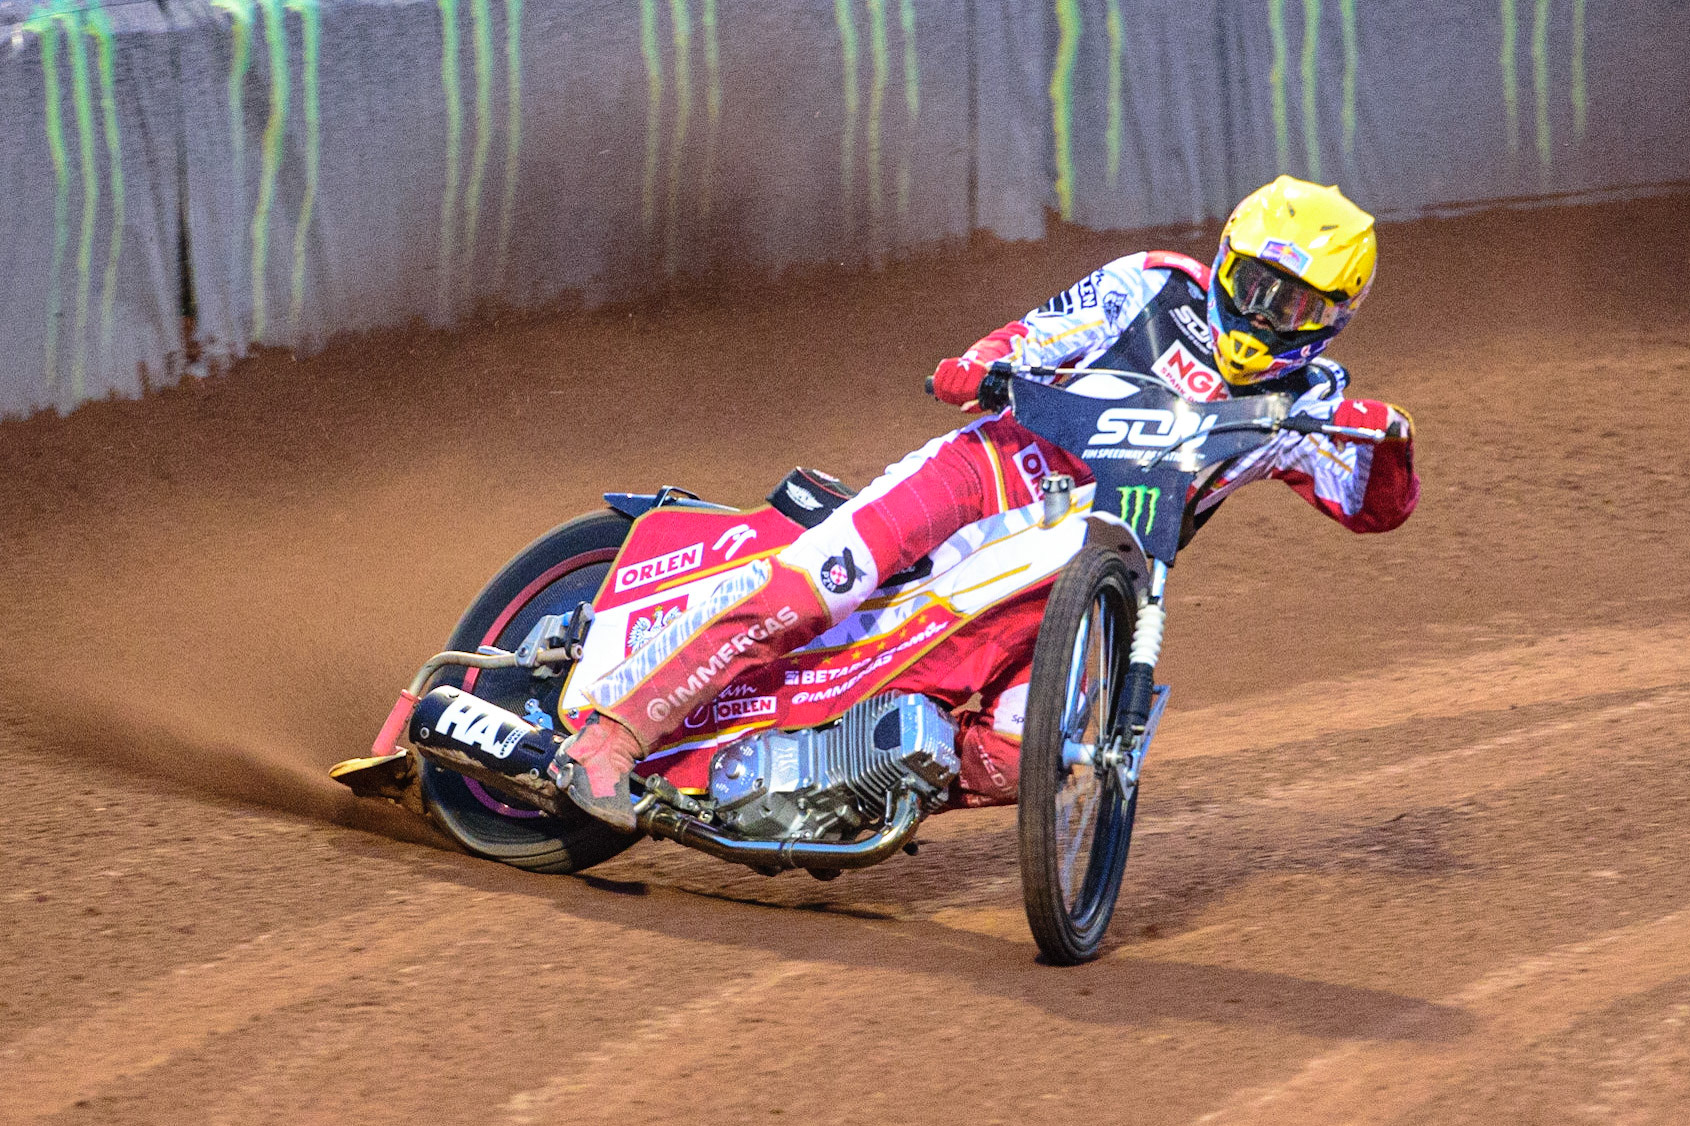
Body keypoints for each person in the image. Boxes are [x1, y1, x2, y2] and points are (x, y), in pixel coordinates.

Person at [548, 175, 1420, 831]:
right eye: (1258, 284)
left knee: (1025, 754)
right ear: (1229, 260)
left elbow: (1372, 508)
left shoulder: (1312, 400)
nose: (1267, 314)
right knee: (811, 589)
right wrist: (980, 363)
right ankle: (610, 738)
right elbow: (1042, 331)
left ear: (1335, 317)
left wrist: (1392, 444)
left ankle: (854, 780)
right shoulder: (1154, 284)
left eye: (1296, 302)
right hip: (984, 479)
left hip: (1089, 569)